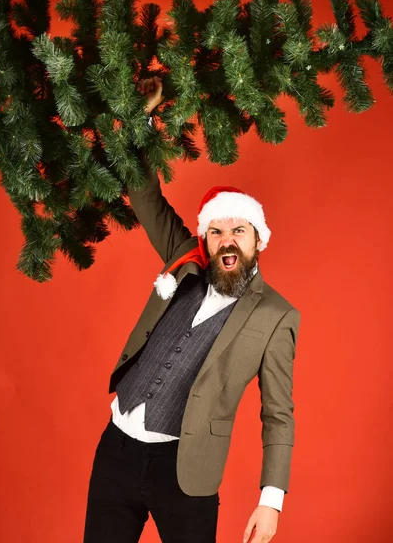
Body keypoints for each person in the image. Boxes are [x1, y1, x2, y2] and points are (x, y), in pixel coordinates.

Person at [83, 76, 301, 543]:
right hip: (116, 449)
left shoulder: (276, 316)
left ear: (258, 240)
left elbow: (278, 413)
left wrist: (271, 500)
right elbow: (146, 199)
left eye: (239, 231)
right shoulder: (184, 260)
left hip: (186, 472)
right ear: (205, 238)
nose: (227, 241)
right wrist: (141, 120)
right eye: (218, 232)